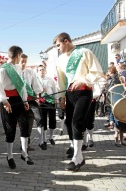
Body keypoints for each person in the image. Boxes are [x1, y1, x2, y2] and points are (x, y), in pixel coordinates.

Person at [54, 32, 103, 171]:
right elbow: (62, 80)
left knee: (77, 121)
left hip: (84, 91)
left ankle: (77, 157)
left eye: (58, 45)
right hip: (70, 94)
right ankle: (76, 152)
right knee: (69, 122)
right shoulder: (60, 60)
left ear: (66, 41)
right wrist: (62, 97)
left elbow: (97, 71)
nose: (58, 48)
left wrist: (83, 79)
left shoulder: (84, 52)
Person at [0, 45, 33, 169]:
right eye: (21, 56)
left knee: (25, 124)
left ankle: (24, 153)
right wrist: (4, 102)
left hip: (19, 99)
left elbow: (22, 86)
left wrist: (25, 100)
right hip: (7, 101)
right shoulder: (3, 69)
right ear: (18, 55)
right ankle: (9, 156)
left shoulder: (18, 68)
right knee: (10, 129)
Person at [19, 54, 43, 151]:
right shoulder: (15, 72)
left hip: (31, 99)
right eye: (22, 61)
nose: (24, 63)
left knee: (36, 118)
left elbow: (36, 86)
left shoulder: (30, 72)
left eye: (25, 61)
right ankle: (24, 144)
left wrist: (37, 95)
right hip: (20, 100)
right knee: (23, 123)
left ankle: (41, 140)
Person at [37, 64, 59, 146]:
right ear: (37, 71)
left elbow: (55, 89)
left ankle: (51, 137)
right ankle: (44, 138)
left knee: (52, 119)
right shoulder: (36, 80)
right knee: (43, 120)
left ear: (45, 71)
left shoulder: (50, 79)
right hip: (41, 102)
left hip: (51, 101)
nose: (42, 71)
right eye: (40, 70)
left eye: (43, 70)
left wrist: (56, 99)